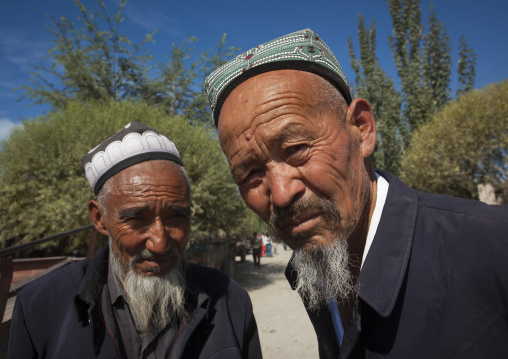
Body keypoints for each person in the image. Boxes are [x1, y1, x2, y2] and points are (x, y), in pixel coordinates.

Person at [204, 28, 508, 358]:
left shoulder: (493, 248)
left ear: (362, 130)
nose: (280, 194)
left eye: (297, 148)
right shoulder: (311, 273)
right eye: (249, 173)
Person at [7, 122, 262, 359]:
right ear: (99, 218)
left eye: (176, 216)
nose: (159, 243)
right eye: (137, 219)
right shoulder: (39, 307)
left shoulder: (229, 299)